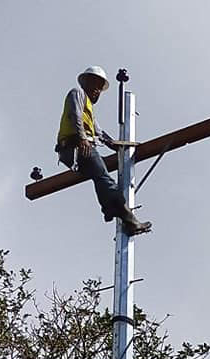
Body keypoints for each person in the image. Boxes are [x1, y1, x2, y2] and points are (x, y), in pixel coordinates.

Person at [54, 65, 151, 235]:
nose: (97, 90)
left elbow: (99, 133)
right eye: (95, 84)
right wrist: (83, 139)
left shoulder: (89, 111)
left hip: (76, 147)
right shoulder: (77, 93)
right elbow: (74, 115)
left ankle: (110, 209)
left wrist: (116, 145)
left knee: (99, 177)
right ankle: (128, 219)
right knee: (104, 178)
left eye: (100, 87)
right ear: (85, 82)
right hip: (74, 146)